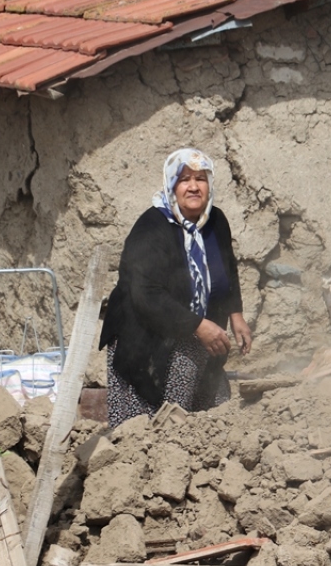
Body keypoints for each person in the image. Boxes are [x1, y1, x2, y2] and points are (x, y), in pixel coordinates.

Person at [99, 148, 253, 427]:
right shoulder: (151, 228)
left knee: (211, 414)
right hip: (146, 339)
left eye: (200, 178)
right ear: (171, 184)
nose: (193, 186)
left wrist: (235, 314)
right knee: (157, 425)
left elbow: (226, 269)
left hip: (192, 333)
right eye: (184, 179)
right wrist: (198, 325)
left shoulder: (215, 222)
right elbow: (145, 294)